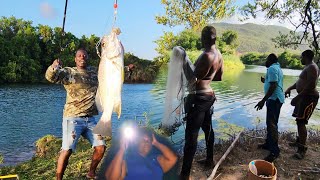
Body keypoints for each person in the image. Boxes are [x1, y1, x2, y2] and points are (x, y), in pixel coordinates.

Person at [45, 48, 106, 179]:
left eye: (84, 55)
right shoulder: (68, 72)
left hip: (90, 119)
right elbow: (50, 77)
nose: (82, 57)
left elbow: (111, 70)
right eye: (79, 55)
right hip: (73, 118)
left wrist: (127, 69)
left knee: (101, 147)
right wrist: (54, 67)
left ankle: (91, 173)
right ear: (75, 59)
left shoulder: (94, 72)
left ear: (87, 58)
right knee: (67, 150)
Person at [180, 25, 223, 180]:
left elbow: (192, 80)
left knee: (191, 136)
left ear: (204, 38)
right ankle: (210, 160)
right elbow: (217, 78)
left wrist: (184, 60)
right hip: (209, 96)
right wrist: (206, 77)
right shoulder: (218, 55)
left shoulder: (206, 55)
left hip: (198, 98)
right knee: (208, 129)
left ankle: (184, 174)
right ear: (215, 37)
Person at [285, 49, 319, 159]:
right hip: (304, 97)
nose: (300, 59)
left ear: (306, 56)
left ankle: (302, 149)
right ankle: (299, 142)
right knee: (299, 120)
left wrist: (297, 97)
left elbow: (311, 85)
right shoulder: (308, 67)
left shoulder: (312, 67)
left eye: (301, 57)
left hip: (309, 98)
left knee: (301, 122)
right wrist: (290, 88)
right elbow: (301, 81)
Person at [105, 128, 178, 180]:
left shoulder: (156, 159)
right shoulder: (126, 159)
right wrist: (122, 149)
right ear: (136, 143)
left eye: (148, 141)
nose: (146, 143)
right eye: (143, 140)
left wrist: (156, 143)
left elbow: (173, 159)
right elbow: (111, 177)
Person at [254, 53, 284, 162]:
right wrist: (265, 81)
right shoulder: (277, 67)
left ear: (270, 60)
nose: (265, 62)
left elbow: (273, 86)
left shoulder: (272, 68)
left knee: (272, 125)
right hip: (275, 99)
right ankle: (268, 144)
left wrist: (263, 100)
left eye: (267, 60)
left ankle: (274, 152)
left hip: (274, 100)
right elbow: (272, 82)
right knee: (271, 123)